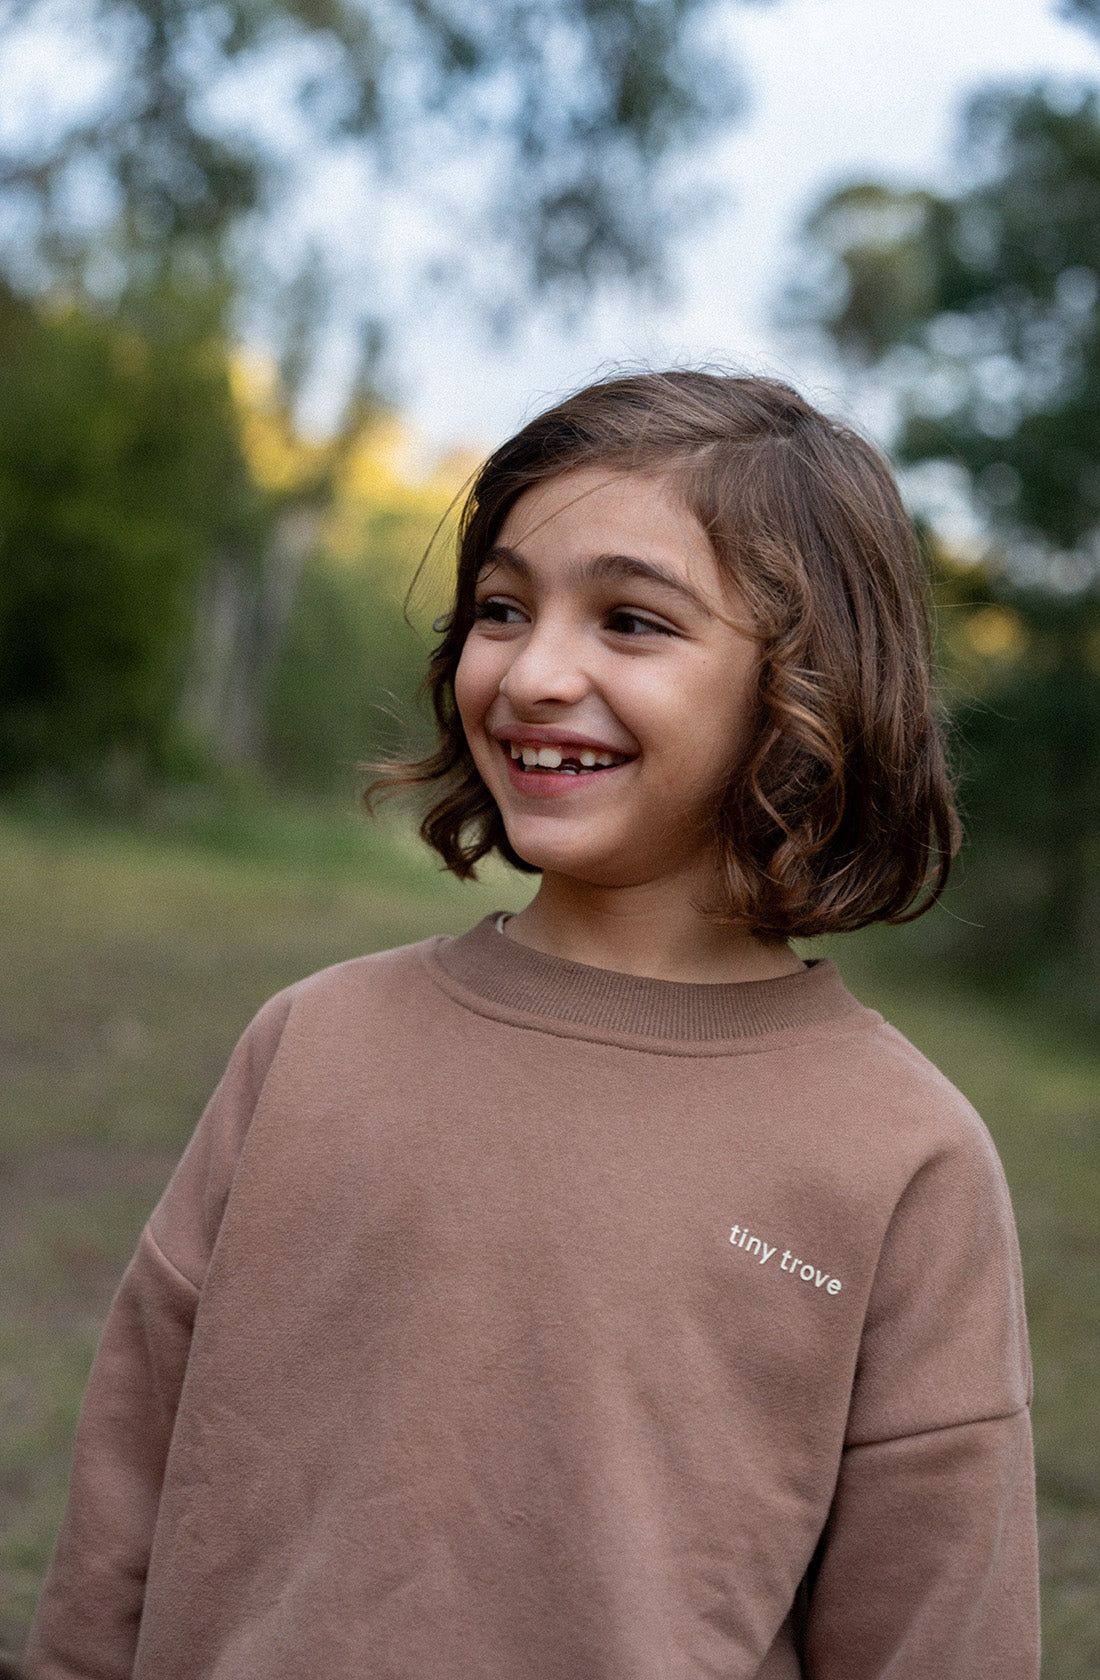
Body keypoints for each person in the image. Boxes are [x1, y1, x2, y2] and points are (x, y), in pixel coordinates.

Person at [27, 371, 1039, 1680]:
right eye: (502, 608)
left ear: (810, 686)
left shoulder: (904, 1158)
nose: (533, 671)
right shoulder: (310, 1044)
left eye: (631, 621)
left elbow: (938, 1622)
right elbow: (126, 1485)